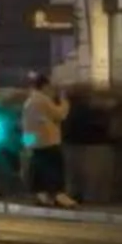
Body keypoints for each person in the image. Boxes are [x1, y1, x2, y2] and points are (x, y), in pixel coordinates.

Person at [22, 70, 72, 206]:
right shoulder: (42, 100)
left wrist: (27, 144)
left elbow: (27, 125)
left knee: (38, 170)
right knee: (55, 169)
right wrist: (64, 101)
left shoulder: (29, 102)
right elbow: (60, 115)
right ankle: (58, 195)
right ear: (44, 86)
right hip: (49, 141)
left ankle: (42, 195)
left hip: (35, 143)